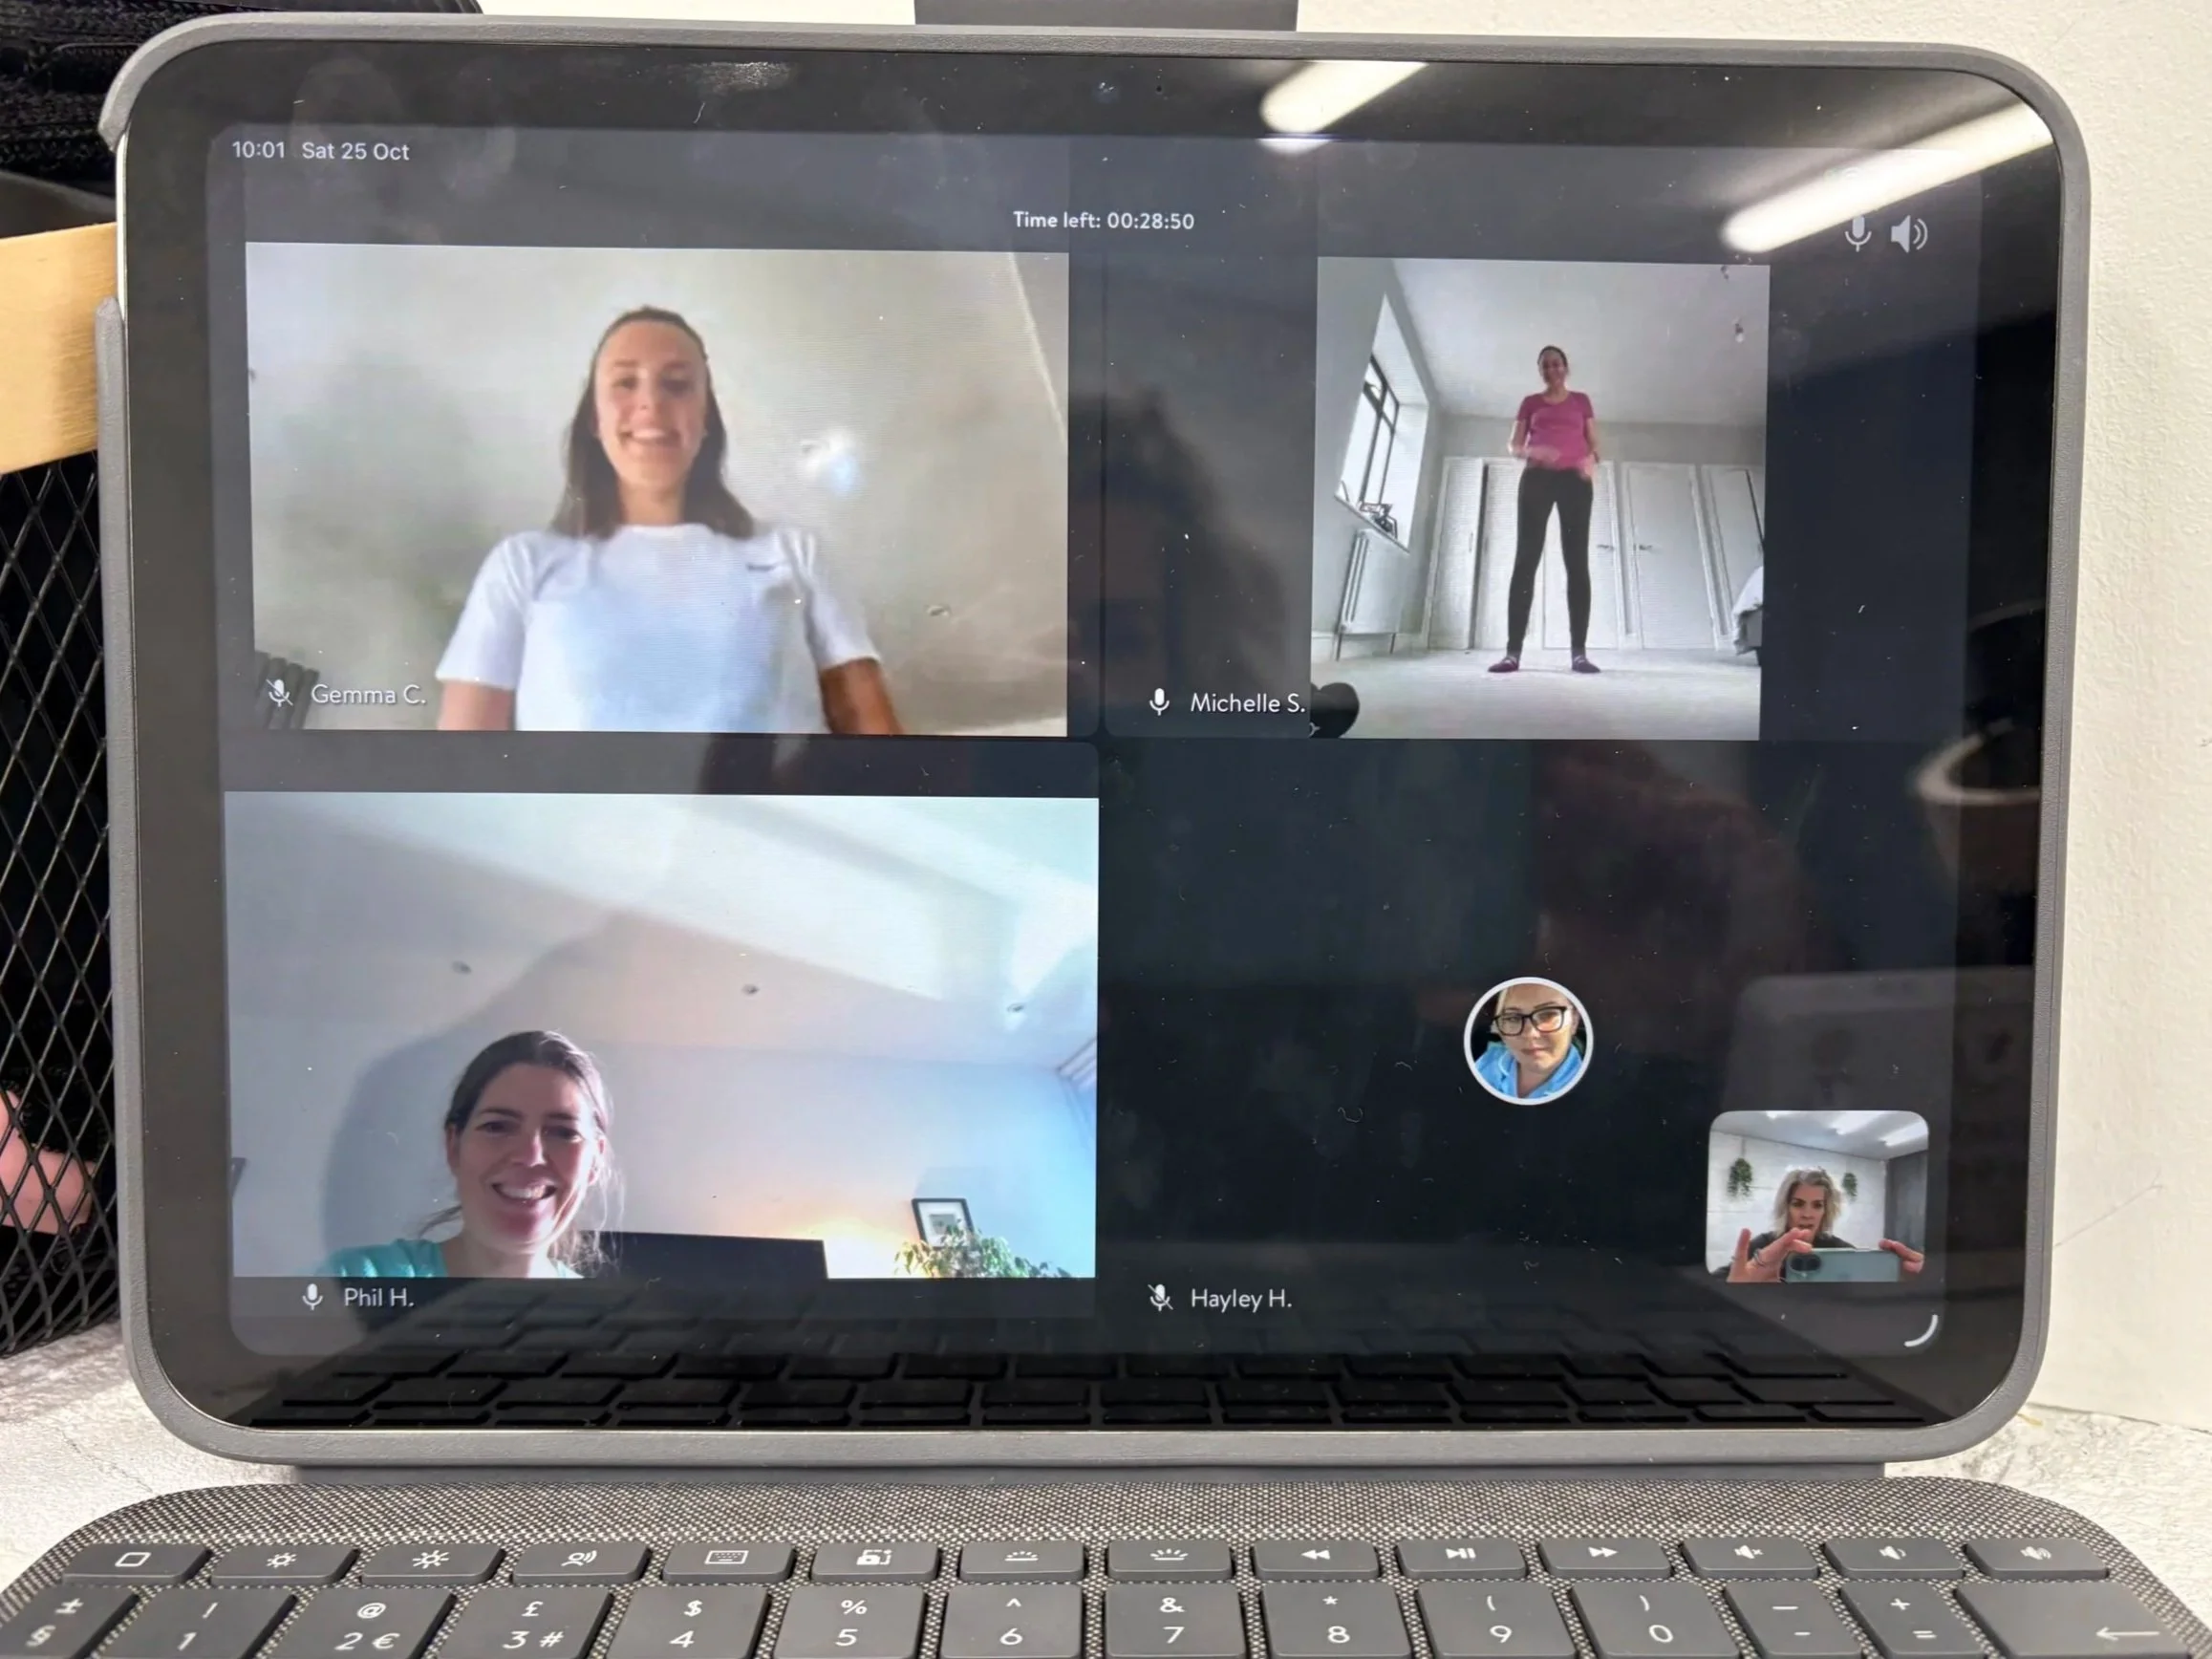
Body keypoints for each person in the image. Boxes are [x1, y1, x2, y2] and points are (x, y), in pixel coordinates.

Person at [436, 306, 901, 734]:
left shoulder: (795, 553)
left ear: (705, 420)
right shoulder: (522, 566)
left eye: (677, 385)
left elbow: (880, 749)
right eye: (624, 383)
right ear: (594, 420)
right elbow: (461, 765)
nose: (650, 406)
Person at [321, 1030, 615, 1279]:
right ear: (453, 1146)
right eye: (497, 1126)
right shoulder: (355, 1279)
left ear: (595, 1161)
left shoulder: (607, 1321)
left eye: (564, 1133)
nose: (530, 1156)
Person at [1491, 345, 1603, 677]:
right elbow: (1513, 445)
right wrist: (1532, 451)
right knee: (1526, 558)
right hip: (1538, 478)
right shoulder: (1531, 402)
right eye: (1545, 365)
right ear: (1540, 371)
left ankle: (1579, 654)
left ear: (1566, 368)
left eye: (1556, 364)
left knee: (1576, 561)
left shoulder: (1581, 401)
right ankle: (1512, 654)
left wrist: (1590, 461)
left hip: (1575, 481)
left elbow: (1595, 445)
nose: (1551, 369)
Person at [1725, 1166, 1926, 1282]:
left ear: (1826, 1210)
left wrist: (1907, 1280)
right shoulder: (1763, 1247)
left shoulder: (1840, 1249)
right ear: (1786, 1207)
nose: (1807, 1214)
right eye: (1798, 1204)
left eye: (1817, 1205)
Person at [1471, 980, 1588, 1102]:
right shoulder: (1490, 1060)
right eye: (1513, 1018)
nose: (1531, 1034)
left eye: (1548, 1015)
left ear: (1574, 1020)